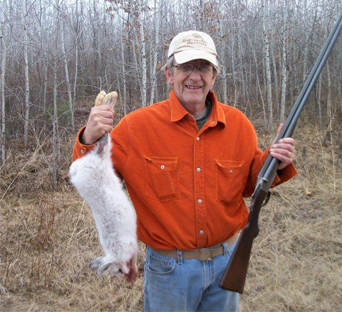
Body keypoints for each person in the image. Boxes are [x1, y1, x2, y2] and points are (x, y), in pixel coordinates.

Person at [73, 30, 297, 311]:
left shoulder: (239, 124)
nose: (195, 76)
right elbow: (93, 179)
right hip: (169, 270)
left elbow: (251, 185)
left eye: (203, 68)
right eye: (186, 67)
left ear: (214, 76)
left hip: (226, 263)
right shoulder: (137, 127)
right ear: (169, 73)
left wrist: (277, 161)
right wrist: (89, 138)